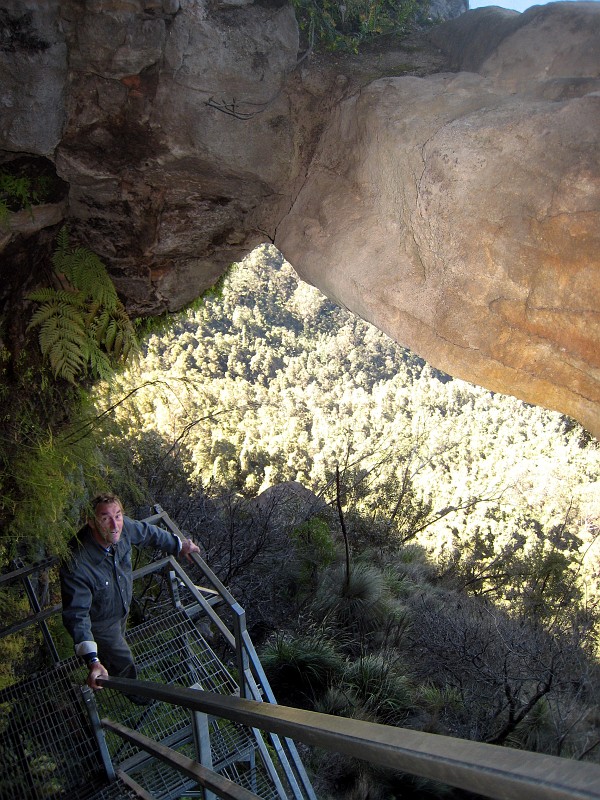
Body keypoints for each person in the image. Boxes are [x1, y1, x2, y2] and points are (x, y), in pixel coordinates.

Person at [60, 493, 201, 700]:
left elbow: (148, 533)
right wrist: (92, 661)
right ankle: (138, 696)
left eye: (118, 516)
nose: (115, 525)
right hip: (101, 625)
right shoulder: (77, 563)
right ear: (90, 521)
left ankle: (106, 662)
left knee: (116, 649)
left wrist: (179, 545)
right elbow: (76, 615)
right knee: (123, 661)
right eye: (105, 518)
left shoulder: (123, 528)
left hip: (121, 608)